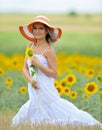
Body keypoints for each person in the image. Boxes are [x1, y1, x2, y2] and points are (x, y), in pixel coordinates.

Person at [12, 16, 102, 128]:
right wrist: (30, 80)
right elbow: (24, 68)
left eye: (41, 28)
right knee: (32, 111)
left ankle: (87, 123)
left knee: (56, 109)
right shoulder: (30, 46)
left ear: (46, 31)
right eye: (35, 28)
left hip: (45, 87)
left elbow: (54, 73)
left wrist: (39, 64)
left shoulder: (49, 50)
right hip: (33, 86)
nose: (37, 31)